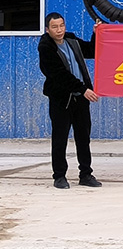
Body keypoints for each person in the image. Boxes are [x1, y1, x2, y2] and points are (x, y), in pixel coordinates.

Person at [38, 12, 102, 189]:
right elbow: (59, 75)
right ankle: (59, 176)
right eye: (54, 27)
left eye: (61, 26)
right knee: (60, 139)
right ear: (47, 29)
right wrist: (83, 89)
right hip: (61, 100)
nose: (59, 30)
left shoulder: (71, 40)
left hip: (80, 99)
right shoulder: (45, 47)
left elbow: (91, 51)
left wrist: (96, 33)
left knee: (83, 138)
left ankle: (86, 174)